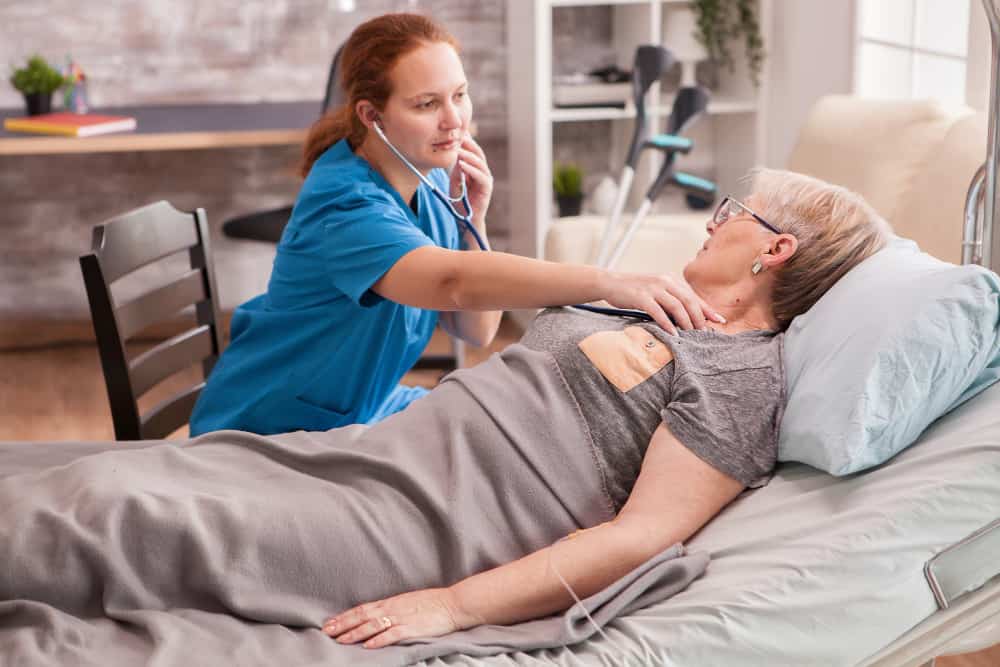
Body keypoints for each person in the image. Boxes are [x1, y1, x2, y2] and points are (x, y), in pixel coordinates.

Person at [0, 170, 891, 658]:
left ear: (775, 250)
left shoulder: (740, 375)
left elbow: (641, 537)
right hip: (382, 451)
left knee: (118, 515)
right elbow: (488, 344)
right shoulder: (652, 303)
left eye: (735, 211)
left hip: (426, 520)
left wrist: (453, 603)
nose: (713, 220)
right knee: (99, 480)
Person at [189, 13, 724, 436]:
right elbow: (454, 282)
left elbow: (475, 327)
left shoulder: (428, 184)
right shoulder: (344, 204)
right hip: (273, 425)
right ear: (372, 116)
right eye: (427, 104)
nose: (455, 120)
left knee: (502, 428)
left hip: (359, 407)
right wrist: (610, 281)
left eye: (459, 95)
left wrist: (474, 220)